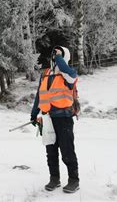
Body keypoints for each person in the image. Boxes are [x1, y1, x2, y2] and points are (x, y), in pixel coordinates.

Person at [30, 45, 80, 193]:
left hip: (63, 118)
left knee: (67, 150)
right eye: (54, 54)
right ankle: (54, 178)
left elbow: (68, 71)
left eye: (58, 54)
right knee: (50, 151)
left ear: (64, 56)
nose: (54, 56)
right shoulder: (46, 73)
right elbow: (40, 95)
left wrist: (59, 57)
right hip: (47, 118)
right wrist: (34, 113)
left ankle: (73, 180)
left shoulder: (68, 74)